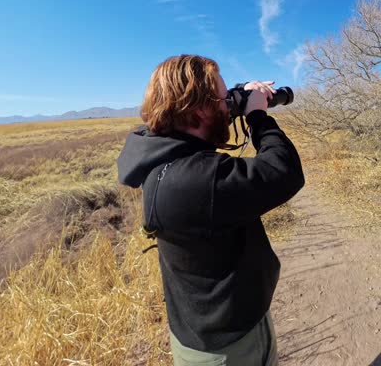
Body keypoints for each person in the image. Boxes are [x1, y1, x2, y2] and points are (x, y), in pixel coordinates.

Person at [117, 54, 304, 365]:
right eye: (221, 97)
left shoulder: (161, 152)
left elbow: (204, 122)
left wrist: (240, 93)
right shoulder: (199, 179)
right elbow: (285, 172)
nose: (227, 105)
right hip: (227, 350)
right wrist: (257, 115)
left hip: (213, 329)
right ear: (199, 110)